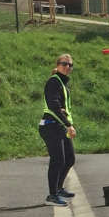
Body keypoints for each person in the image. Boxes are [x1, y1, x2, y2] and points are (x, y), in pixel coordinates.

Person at [40, 53, 77, 206]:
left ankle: (59, 188)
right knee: (58, 160)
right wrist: (68, 124)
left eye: (70, 65)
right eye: (64, 64)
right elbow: (54, 105)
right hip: (50, 126)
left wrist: (66, 124)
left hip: (59, 127)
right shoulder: (53, 82)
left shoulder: (62, 83)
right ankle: (52, 195)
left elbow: (62, 107)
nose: (67, 67)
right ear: (57, 65)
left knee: (69, 159)